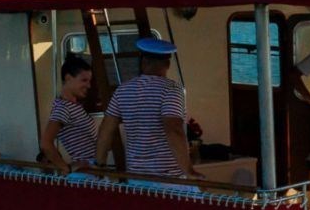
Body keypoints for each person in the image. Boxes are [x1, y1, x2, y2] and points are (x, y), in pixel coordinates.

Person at [96, 36, 196, 179]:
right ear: (167, 64)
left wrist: (99, 165)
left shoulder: (123, 90)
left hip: (137, 178)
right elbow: (173, 129)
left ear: (143, 62)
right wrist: (188, 170)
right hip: (169, 179)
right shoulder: (172, 89)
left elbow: (106, 129)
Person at [39, 54, 96, 168]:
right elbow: (46, 143)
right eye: (84, 80)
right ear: (68, 78)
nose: (89, 85)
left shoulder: (74, 106)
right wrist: (65, 168)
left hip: (93, 170)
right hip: (86, 173)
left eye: (89, 81)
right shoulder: (63, 108)